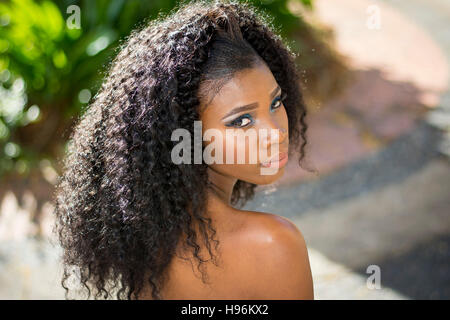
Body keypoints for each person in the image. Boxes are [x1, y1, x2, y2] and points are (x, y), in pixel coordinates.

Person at [53, 0, 314, 300]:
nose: (275, 133)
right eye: (242, 121)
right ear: (184, 135)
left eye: (275, 102)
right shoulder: (274, 245)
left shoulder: (150, 239)